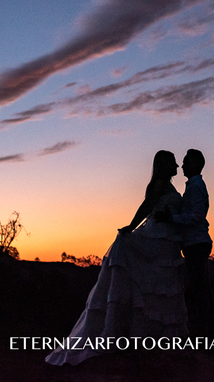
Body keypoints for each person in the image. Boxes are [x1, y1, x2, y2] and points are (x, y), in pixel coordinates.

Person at [45, 150, 187, 366]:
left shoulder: (167, 185)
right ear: (164, 165)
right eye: (173, 163)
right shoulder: (158, 184)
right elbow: (146, 207)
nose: (177, 167)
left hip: (167, 240)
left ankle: (156, 339)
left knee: (159, 286)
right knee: (153, 284)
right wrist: (131, 227)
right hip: (156, 236)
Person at [169, 148, 214, 337]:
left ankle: (205, 332)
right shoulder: (193, 185)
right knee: (198, 288)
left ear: (195, 164)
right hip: (194, 243)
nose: (183, 165)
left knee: (199, 289)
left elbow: (196, 216)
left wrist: (172, 218)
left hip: (196, 243)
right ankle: (204, 330)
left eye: (186, 161)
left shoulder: (195, 186)